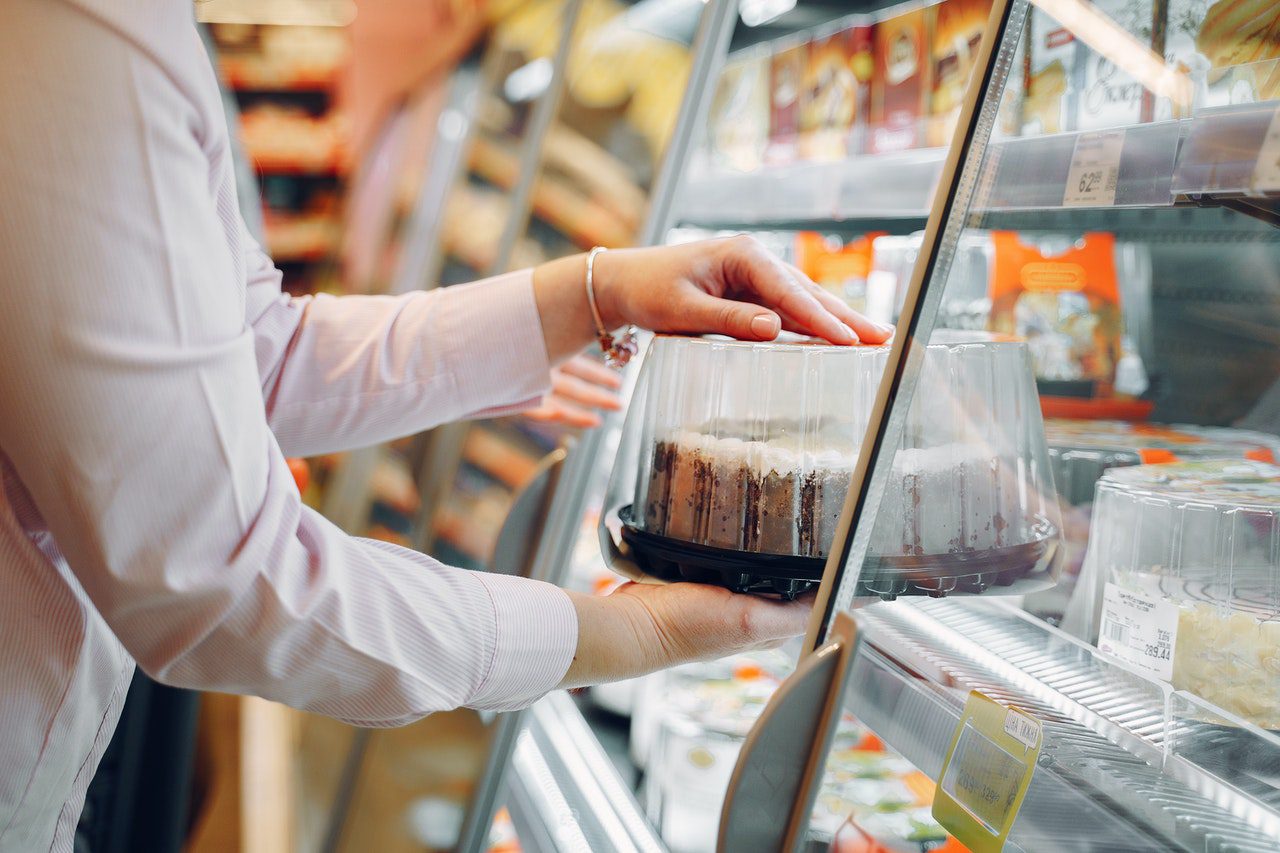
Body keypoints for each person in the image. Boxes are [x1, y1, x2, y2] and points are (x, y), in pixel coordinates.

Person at [0, 2, 893, 850]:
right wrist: (625, 634)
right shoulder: (81, 32)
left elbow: (247, 352)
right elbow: (220, 579)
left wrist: (587, 295)